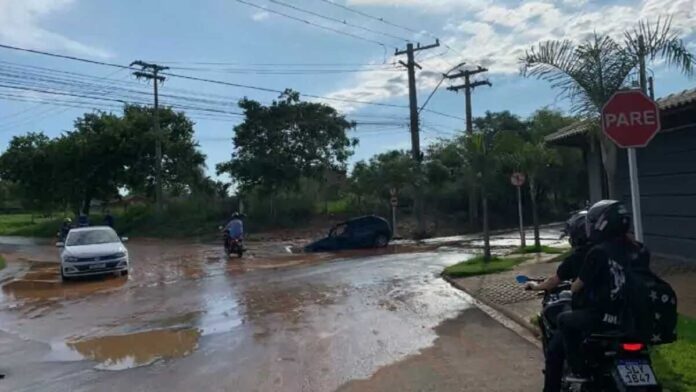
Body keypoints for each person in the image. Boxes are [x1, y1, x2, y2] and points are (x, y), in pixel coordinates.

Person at [547, 200, 647, 391]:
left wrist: (572, 287)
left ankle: (579, 370)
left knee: (564, 320)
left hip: (605, 317)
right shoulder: (640, 249)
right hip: (632, 317)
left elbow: (577, 287)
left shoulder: (598, 252)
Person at [530, 210, 591, 392]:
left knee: (555, 351)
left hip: (593, 315)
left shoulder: (582, 257)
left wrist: (535, 286)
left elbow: (556, 282)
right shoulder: (617, 251)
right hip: (623, 316)